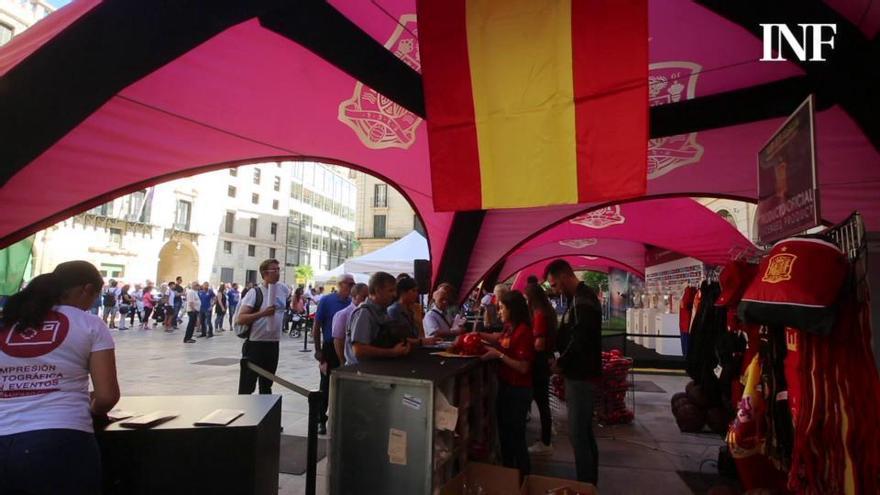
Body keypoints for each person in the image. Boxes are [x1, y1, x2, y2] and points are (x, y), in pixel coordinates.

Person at [0, 261, 120, 495]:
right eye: (95, 295)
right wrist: (93, 409)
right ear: (85, 289)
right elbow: (106, 396)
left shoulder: (8, 320)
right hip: (61, 441)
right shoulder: (90, 324)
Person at [545, 259, 602, 485]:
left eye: (555, 285)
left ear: (566, 276)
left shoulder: (582, 301)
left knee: (579, 434)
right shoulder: (577, 299)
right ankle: (589, 483)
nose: (555, 290)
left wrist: (562, 363)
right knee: (583, 434)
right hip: (579, 373)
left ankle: (585, 484)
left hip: (581, 376)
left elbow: (580, 339)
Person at [475, 290, 534, 475]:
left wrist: (498, 355)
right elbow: (499, 339)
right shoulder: (510, 327)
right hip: (507, 387)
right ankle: (509, 475)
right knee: (505, 435)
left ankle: (523, 477)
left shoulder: (524, 332)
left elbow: (523, 367)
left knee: (516, 436)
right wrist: (479, 335)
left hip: (519, 391)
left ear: (512, 309)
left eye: (501, 308)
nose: (499, 312)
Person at [237, 259, 289, 395]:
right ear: (265, 273)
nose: (278, 273)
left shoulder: (283, 289)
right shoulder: (255, 293)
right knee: (248, 385)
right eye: (274, 270)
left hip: (273, 344)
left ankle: (266, 413)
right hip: (255, 345)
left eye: (279, 269)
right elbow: (241, 318)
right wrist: (263, 313)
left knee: (267, 384)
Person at [312, 275, 354, 435]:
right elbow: (317, 326)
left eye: (352, 284)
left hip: (346, 346)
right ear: (340, 285)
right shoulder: (327, 300)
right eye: (349, 284)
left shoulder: (351, 302)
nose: (350, 287)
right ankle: (321, 419)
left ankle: (340, 418)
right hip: (329, 347)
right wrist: (318, 350)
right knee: (326, 383)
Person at [345, 272, 411, 365]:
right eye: (390, 290)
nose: (395, 295)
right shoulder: (364, 313)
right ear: (377, 290)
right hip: (360, 373)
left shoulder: (382, 311)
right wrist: (392, 352)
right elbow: (359, 350)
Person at [524, 282, 558, 456]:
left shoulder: (538, 315)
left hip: (539, 362)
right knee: (543, 401)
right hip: (546, 360)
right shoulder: (549, 312)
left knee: (541, 401)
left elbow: (539, 344)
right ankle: (547, 434)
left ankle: (545, 441)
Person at [332, 283, 368, 367]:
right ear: (354, 296)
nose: (367, 299)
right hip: (351, 362)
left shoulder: (367, 312)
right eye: (364, 297)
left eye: (368, 296)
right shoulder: (343, 314)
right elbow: (338, 340)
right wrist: (342, 361)